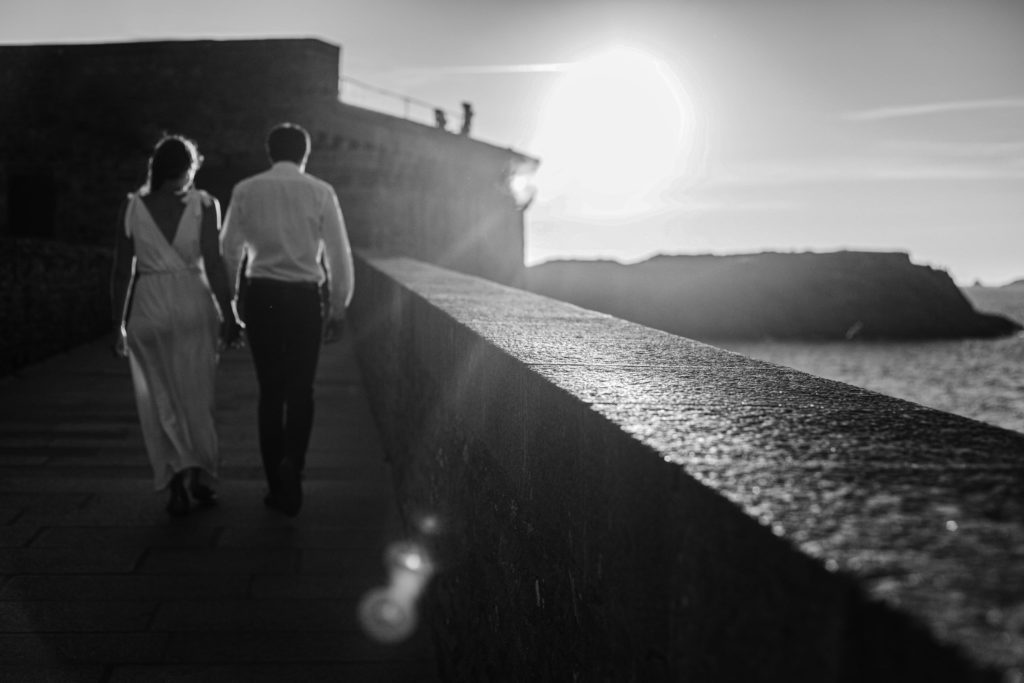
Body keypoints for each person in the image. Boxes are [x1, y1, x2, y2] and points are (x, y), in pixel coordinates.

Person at [221, 122, 354, 517]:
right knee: (301, 390)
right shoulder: (320, 191)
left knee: (270, 391)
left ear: (269, 152)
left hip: (262, 295)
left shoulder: (245, 190)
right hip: (302, 299)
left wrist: (228, 306)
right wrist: (338, 308)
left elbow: (229, 252)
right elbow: (337, 254)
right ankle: (293, 464)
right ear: (304, 154)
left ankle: (275, 484)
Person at [110, 134, 243, 517]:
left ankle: (173, 480)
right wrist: (230, 314)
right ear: (189, 169)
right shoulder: (205, 205)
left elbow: (122, 272)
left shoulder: (131, 207)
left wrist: (117, 324)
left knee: (158, 400)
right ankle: (200, 474)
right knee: (196, 396)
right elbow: (214, 265)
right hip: (191, 303)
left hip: (147, 305)